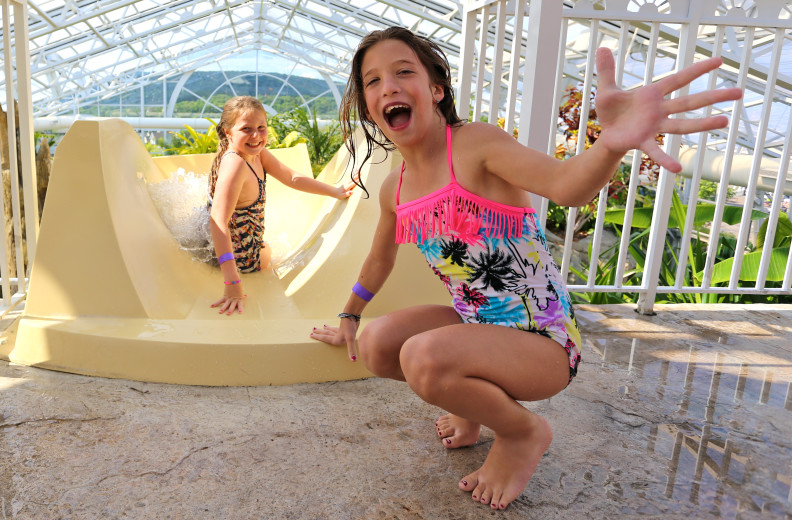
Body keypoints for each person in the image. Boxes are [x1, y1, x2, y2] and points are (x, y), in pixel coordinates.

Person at [311, 27, 742, 510]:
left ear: (436, 90)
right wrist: (349, 316)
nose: (387, 85)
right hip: (478, 328)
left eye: (403, 71)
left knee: (425, 359)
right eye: (372, 80)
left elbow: (564, 185)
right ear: (369, 104)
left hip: (543, 343)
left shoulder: (474, 146)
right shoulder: (396, 186)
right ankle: (468, 405)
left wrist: (610, 145)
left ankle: (521, 433)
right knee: (376, 344)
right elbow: (378, 259)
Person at [209, 96, 355, 315]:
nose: (256, 136)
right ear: (228, 132)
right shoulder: (235, 163)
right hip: (243, 257)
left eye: (261, 128)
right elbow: (218, 220)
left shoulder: (256, 154)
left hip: (231, 237)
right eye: (246, 129)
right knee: (269, 254)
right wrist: (232, 282)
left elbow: (291, 177)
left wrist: (334, 191)